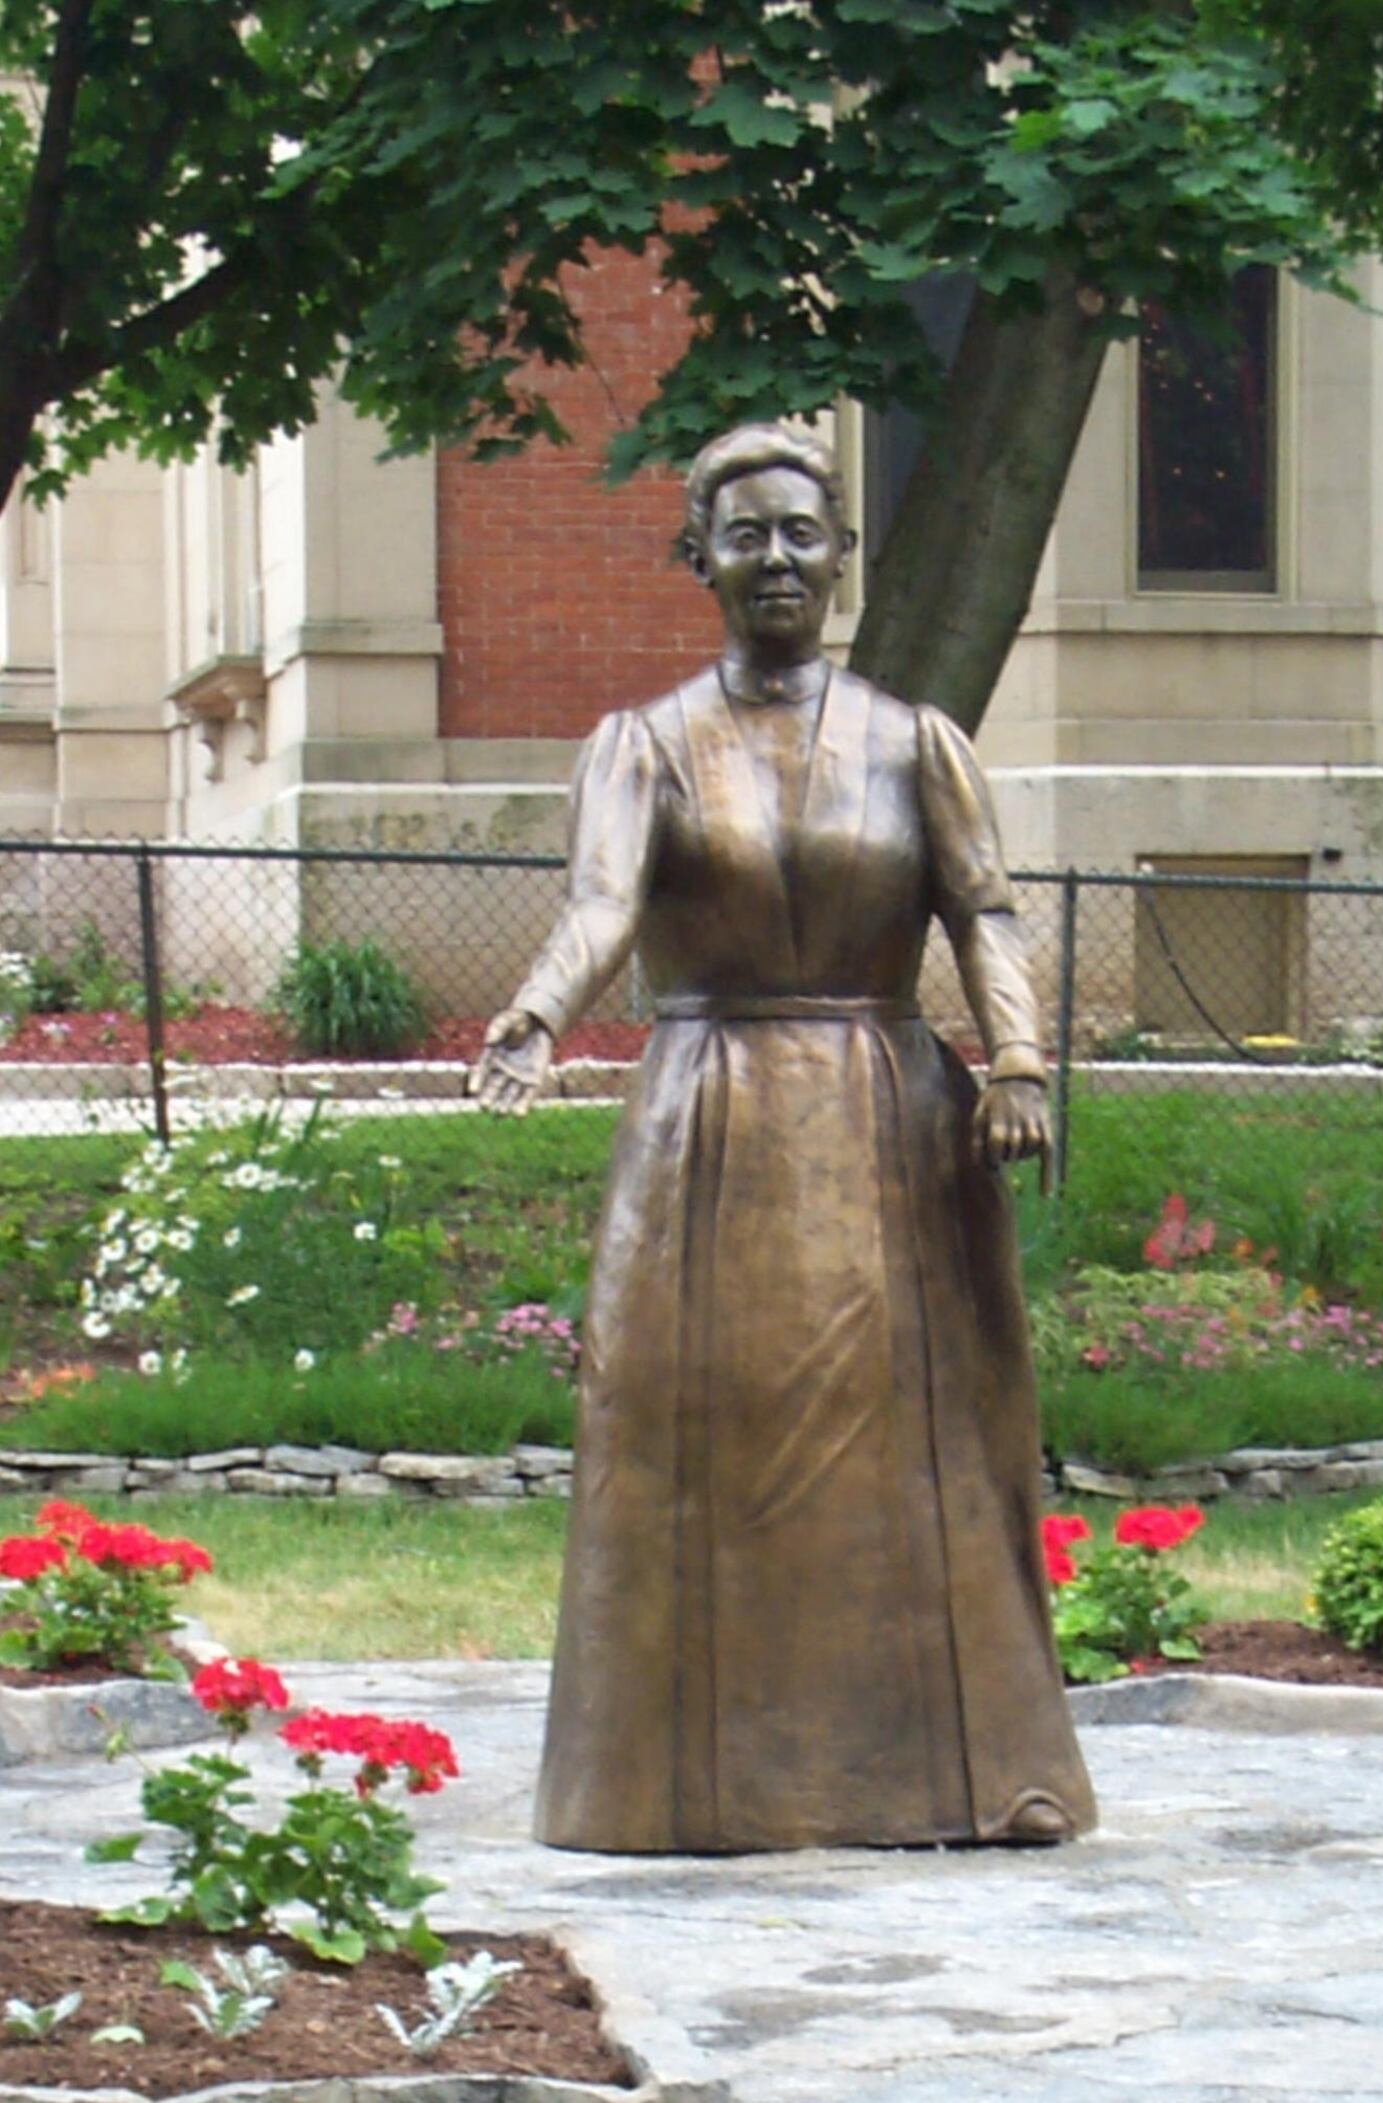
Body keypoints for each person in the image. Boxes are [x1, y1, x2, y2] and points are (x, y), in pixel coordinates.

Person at [470, 423, 1096, 1853]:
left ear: (841, 557)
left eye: (802, 534)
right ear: (700, 556)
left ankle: (956, 1773)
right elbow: (601, 907)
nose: (776, 561)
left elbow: (980, 911)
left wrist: (1017, 1060)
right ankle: (675, 1783)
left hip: (890, 1117)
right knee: (693, 1440)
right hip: (711, 1111)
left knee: (917, 1449)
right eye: (744, 534)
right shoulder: (645, 747)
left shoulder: (914, 741)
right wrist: (537, 1011)